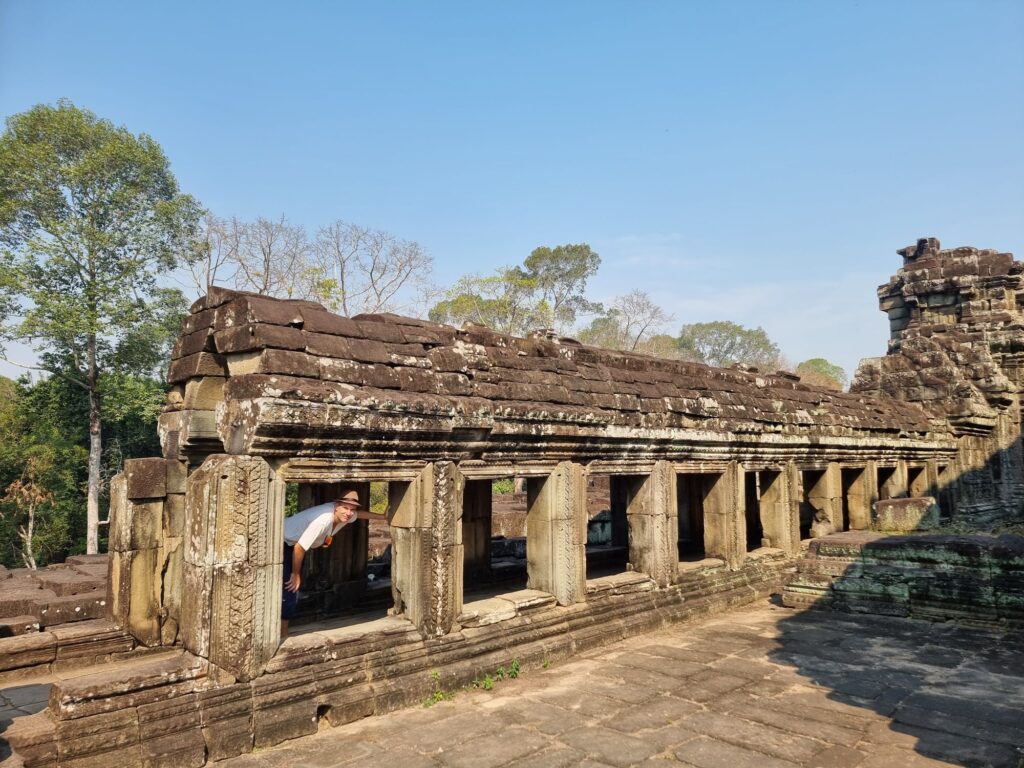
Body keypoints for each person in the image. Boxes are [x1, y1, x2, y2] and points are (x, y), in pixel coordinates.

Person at [280, 488, 377, 638]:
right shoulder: (323, 520)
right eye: (345, 508)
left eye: (352, 509)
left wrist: (383, 516)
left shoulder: (346, 515)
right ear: (336, 506)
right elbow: (299, 548)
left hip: (294, 545)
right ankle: (283, 635)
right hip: (283, 542)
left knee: (290, 588)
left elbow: (359, 515)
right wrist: (296, 574)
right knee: (291, 588)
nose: (349, 512)